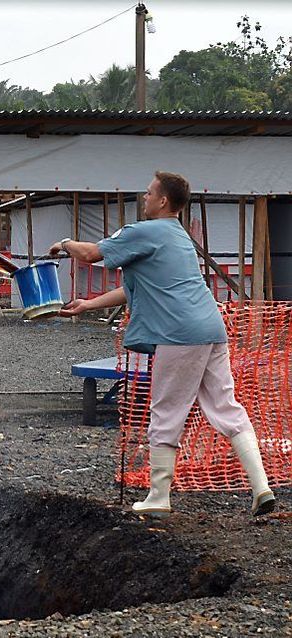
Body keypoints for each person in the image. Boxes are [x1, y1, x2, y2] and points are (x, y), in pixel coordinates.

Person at [47, 171, 276, 518]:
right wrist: (88, 305)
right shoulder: (178, 236)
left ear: (163, 201)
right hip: (211, 329)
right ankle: (261, 488)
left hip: (178, 333)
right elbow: (134, 289)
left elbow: (92, 253)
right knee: (226, 407)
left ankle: (158, 496)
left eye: (149, 193)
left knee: (166, 412)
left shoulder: (144, 231)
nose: (144, 198)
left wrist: (64, 243)